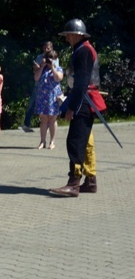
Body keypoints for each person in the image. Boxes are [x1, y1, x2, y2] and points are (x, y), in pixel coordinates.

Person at [50, 19, 106, 197]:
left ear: (76, 34)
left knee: (75, 142)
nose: (66, 39)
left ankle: (73, 183)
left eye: (67, 35)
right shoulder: (82, 49)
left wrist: (72, 107)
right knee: (85, 142)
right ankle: (90, 181)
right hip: (84, 98)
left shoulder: (83, 51)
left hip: (84, 100)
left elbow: (82, 81)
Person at [21, 41, 59, 132]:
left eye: (48, 48)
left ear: (51, 48)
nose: (46, 50)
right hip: (39, 84)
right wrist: (41, 65)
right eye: (45, 48)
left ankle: (50, 124)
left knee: (50, 105)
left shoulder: (54, 58)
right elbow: (35, 70)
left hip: (50, 86)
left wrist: (49, 64)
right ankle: (26, 124)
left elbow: (56, 70)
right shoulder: (39, 57)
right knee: (32, 103)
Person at [34, 49, 63, 149]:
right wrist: (42, 66)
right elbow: (36, 78)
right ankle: (42, 141)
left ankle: (52, 141)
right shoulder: (43, 69)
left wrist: (53, 68)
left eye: (52, 59)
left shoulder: (58, 69)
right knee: (43, 119)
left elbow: (58, 78)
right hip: (42, 97)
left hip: (53, 98)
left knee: (52, 119)